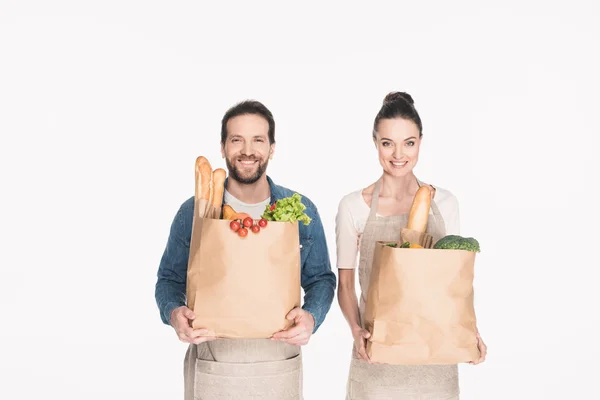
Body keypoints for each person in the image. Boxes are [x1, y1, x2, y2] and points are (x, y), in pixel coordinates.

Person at [155, 99, 336, 399]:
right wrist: (174, 313)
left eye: (258, 140)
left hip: (278, 361)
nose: (247, 150)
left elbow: (321, 279)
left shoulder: (300, 209)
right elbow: (168, 280)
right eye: (237, 140)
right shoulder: (194, 211)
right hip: (214, 361)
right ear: (223, 147)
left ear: (272, 148)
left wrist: (312, 317)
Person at [335, 91, 487, 399]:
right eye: (387, 143)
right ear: (375, 142)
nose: (398, 154)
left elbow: (454, 283)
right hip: (376, 362)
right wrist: (355, 331)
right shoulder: (354, 206)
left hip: (435, 361)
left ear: (420, 141)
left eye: (409, 142)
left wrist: (471, 333)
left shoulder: (444, 202)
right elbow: (346, 285)